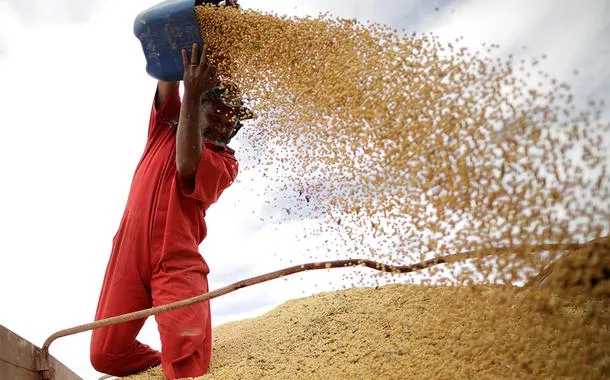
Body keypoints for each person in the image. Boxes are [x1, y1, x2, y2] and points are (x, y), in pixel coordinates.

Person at [89, 41, 254, 379]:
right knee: (105, 355)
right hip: (128, 253)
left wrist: (193, 94)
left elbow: (186, 163)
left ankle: (177, 365)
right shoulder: (166, 126)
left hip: (176, 260)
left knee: (187, 364)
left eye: (232, 122)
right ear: (198, 107)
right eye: (218, 114)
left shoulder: (226, 162)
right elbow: (167, 78)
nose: (225, 125)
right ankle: (160, 364)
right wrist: (185, 41)